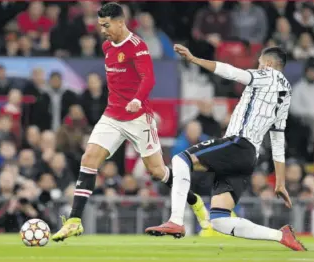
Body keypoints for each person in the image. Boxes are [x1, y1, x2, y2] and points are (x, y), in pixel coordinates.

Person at [52, 2, 208, 242]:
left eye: (106, 25)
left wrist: (137, 99)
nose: (103, 30)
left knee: (157, 172)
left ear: (120, 22)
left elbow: (149, 78)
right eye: (100, 25)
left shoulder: (137, 45)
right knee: (89, 158)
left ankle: (195, 201)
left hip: (138, 118)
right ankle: (74, 221)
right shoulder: (106, 46)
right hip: (112, 115)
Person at [145, 45, 306, 251]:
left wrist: (195, 59)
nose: (257, 67)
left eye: (259, 63)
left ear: (268, 64)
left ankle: (176, 220)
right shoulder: (286, 92)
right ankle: (280, 235)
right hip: (248, 158)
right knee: (220, 220)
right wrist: (280, 182)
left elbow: (232, 72)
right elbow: (277, 138)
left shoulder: (267, 74)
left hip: (238, 143)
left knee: (180, 160)